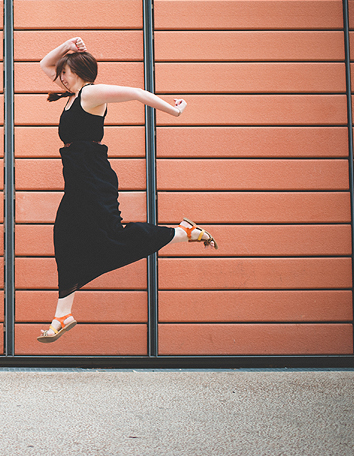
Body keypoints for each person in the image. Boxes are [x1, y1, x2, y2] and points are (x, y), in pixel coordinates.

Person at [36, 37, 218, 343]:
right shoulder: (71, 96)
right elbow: (44, 64)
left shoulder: (91, 93)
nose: (60, 77)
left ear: (78, 70)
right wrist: (68, 45)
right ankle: (62, 315)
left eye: (65, 72)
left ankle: (182, 233)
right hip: (78, 182)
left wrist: (173, 111)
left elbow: (136, 93)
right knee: (65, 237)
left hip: (94, 181)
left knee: (113, 238)